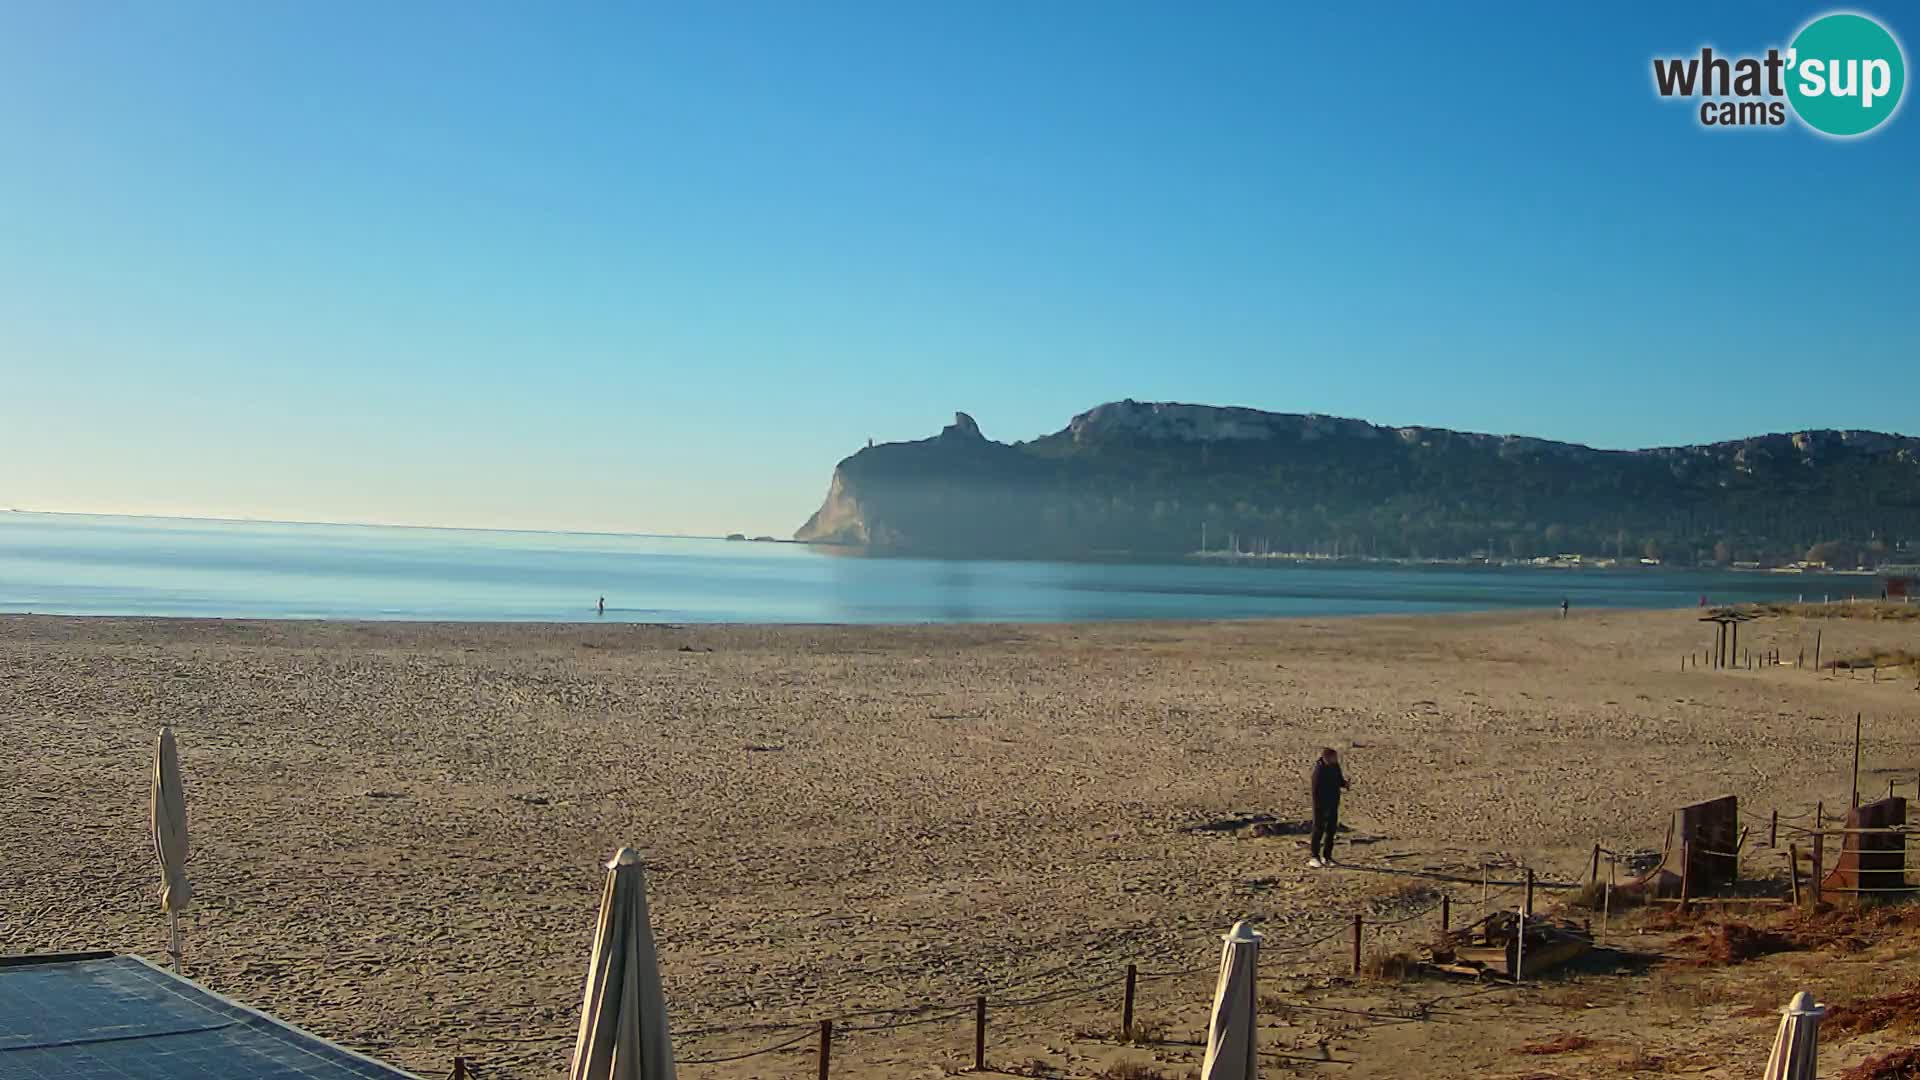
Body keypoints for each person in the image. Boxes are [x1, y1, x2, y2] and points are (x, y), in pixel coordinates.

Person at [1308, 748, 1350, 868]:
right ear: (1327, 758)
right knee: (1318, 829)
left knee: (1331, 830)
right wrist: (1320, 806)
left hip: (1333, 802)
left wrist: (1345, 784)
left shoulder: (1335, 766)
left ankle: (1327, 856)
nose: (1336, 759)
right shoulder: (1319, 771)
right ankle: (1314, 856)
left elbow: (1339, 780)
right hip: (1320, 804)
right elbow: (1315, 791)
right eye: (1334, 757)